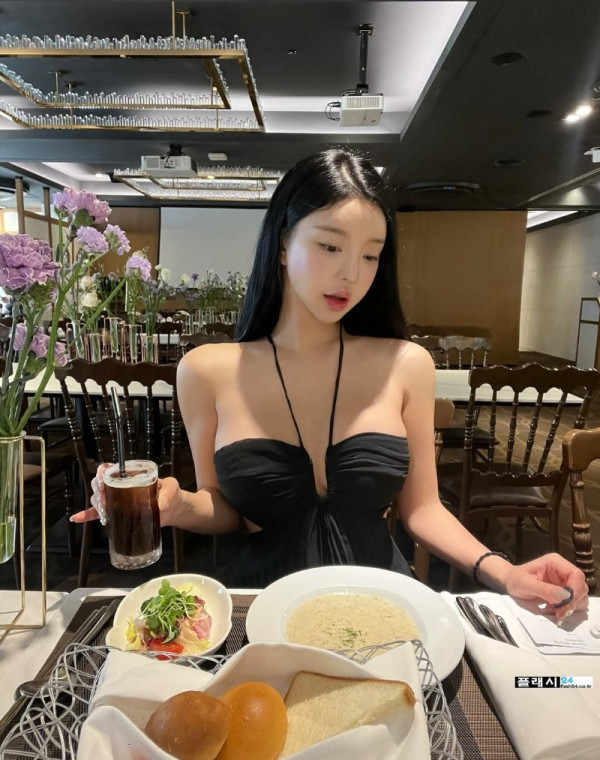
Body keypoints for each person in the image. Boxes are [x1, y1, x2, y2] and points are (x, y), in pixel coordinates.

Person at [72, 148, 587, 620]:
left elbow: (423, 509)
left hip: (381, 606)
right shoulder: (206, 370)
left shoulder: (406, 364)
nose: (351, 275)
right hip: (262, 608)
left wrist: (504, 572)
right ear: (282, 244)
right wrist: (178, 504)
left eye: (370, 255)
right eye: (330, 246)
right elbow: (225, 508)